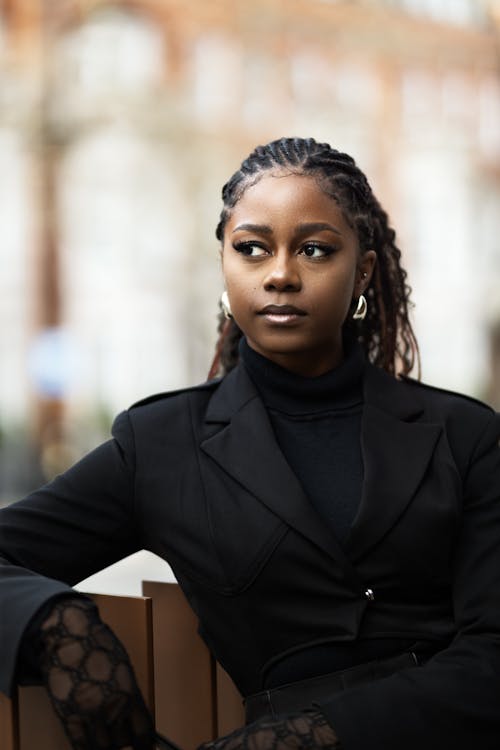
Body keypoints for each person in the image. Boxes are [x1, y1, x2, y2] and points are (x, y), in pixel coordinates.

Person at [1, 136, 499, 750]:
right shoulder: (161, 445)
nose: (282, 274)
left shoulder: (465, 435)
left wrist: (300, 739)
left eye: (315, 250)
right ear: (224, 265)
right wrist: (62, 629)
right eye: (252, 249)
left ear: (362, 270)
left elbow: (493, 654)